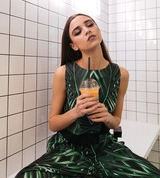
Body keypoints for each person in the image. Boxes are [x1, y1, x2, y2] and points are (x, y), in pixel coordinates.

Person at [16, 13, 160, 178]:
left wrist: (106, 116)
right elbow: (53, 124)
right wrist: (75, 112)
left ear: (98, 29)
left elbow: (116, 121)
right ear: (74, 46)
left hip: (105, 148)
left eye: (90, 24)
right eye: (77, 32)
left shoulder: (121, 74)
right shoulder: (63, 73)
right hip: (68, 149)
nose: (86, 30)